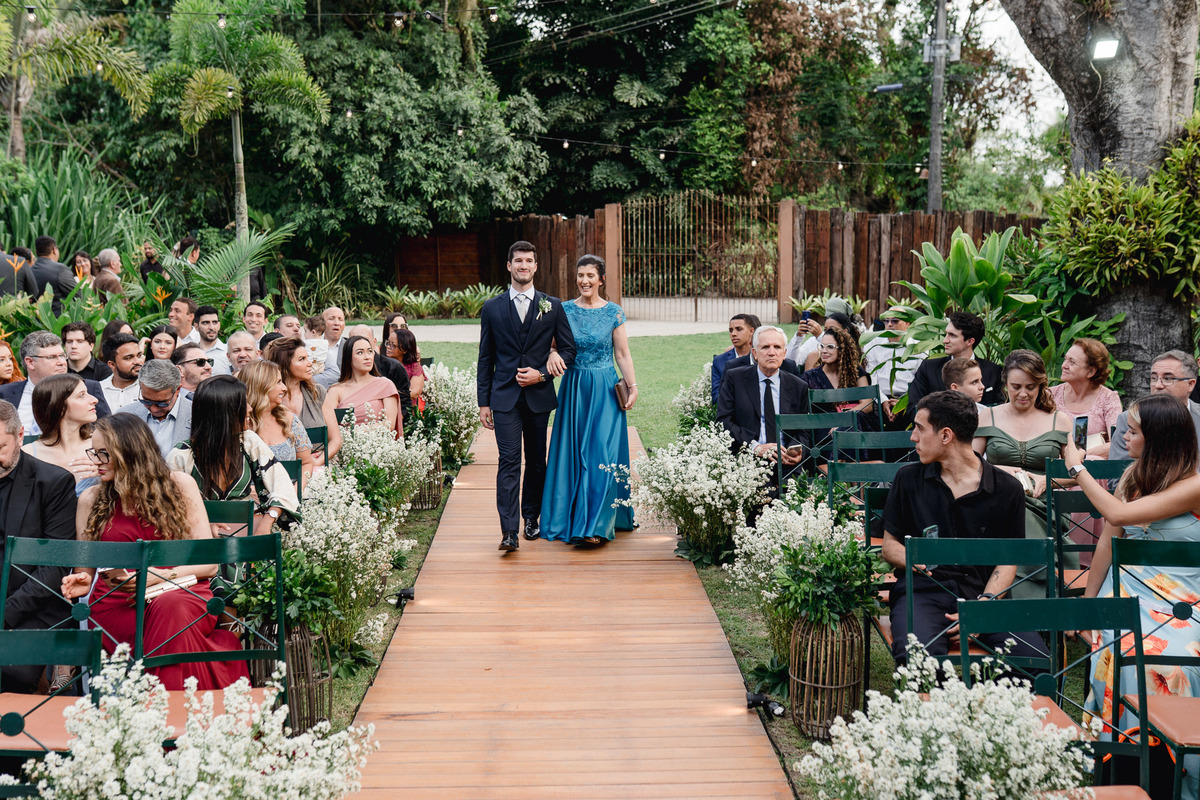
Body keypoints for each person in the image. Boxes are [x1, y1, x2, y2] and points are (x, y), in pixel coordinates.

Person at [1068, 395, 1200, 789]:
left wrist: (1076, 465)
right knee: (1119, 644)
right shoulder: (1133, 479)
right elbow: (1109, 543)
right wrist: (1089, 605)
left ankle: (1171, 763)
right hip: (1129, 588)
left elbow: (1119, 515)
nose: (1126, 436)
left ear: (1159, 438)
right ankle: (1121, 761)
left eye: (1135, 431)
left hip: (1184, 597)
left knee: (1177, 661)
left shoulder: (1196, 484)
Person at [61, 414, 248, 691]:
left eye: (104, 454)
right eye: (94, 453)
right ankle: (184, 710)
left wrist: (157, 576)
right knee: (165, 619)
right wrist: (82, 581)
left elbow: (208, 564)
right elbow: (86, 570)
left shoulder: (180, 486)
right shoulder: (91, 499)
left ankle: (160, 708)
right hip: (118, 599)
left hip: (182, 589)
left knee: (171, 609)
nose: (96, 461)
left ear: (130, 453)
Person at [881, 390, 1047, 666]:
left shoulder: (1007, 489)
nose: (913, 437)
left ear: (946, 436)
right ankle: (938, 707)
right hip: (924, 592)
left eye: (920, 429)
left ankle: (994, 706)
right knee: (918, 658)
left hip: (984, 594)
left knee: (1033, 659)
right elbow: (890, 545)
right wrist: (913, 559)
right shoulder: (908, 478)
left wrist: (983, 609)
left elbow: (1008, 561)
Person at [477, 240, 576, 552]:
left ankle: (531, 517)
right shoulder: (492, 308)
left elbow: (569, 350)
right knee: (508, 460)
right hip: (503, 397)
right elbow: (485, 357)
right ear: (509, 266)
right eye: (518, 261)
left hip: (538, 397)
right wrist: (483, 401)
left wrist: (543, 373)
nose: (523, 266)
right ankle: (508, 532)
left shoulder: (552, 306)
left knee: (536, 461)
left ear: (536, 266)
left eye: (529, 261)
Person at [540, 255, 637, 546]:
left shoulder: (614, 312)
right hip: (575, 388)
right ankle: (575, 518)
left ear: (601, 279)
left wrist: (632, 385)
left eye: (590, 276)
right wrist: (551, 354)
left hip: (606, 388)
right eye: (580, 275)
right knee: (574, 454)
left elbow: (622, 353)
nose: (584, 280)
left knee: (602, 454)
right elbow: (548, 345)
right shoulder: (563, 310)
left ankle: (596, 524)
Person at [972, 349, 1072, 599]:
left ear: (1041, 385)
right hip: (999, 498)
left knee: (1022, 514)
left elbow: (1075, 472)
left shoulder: (1059, 420)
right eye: (1016, 386)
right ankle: (1037, 598)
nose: (1023, 393)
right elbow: (970, 463)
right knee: (1015, 510)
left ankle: (1026, 600)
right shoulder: (989, 416)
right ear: (1005, 383)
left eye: (1031, 387)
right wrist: (997, 470)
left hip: (1044, 503)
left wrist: (1046, 479)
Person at [0, 400, 78, 694]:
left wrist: (4, 614)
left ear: (20, 436)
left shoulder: (53, 483)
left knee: (12, 673)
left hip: (32, 605)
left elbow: (54, 567)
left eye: (0, 448)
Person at [167, 375, 299, 533]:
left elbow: (283, 485)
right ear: (224, 413)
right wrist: (205, 527)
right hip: (200, 542)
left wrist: (267, 522)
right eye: (243, 403)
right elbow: (168, 511)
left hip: (248, 535)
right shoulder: (181, 456)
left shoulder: (249, 442)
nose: (250, 408)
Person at [716, 325, 812, 471]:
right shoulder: (735, 378)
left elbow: (803, 431)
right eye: (765, 347)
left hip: (786, 462)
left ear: (784, 353)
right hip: (748, 458)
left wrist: (798, 452)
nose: (772, 353)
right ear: (755, 353)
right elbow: (723, 421)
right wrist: (755, 447)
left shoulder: (798, 386)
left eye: (777, 347)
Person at [0, 331, 110, 435]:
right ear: (30, 362)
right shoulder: (5, 394)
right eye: (52, 357)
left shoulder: (88, 388)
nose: (62, 362)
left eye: (62, 356)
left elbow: (108, 431)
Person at [1110, 350, 1200, 461]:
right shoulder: (1129, 419)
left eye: (1167, 379)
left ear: (1190, 384)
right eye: (1153, 378)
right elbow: (1117, 474)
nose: (1157, 385)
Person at [323, 335, 402, 460]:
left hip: (379, 452)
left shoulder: (385, 385)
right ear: (349, 358)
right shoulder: (335, 391)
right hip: (344, 452)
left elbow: (389, 425)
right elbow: (328, 428)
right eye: (360, 352)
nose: (367, 357)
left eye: (370, 351)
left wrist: (352, 433)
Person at [906, 310, 1003, 412]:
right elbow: (914, 408)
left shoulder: (993, 371)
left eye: (952, 335)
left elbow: (1000, 411)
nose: (945, 340)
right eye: (946, 334)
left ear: (970, 341)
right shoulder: (929, 368)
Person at [241, 360, 313, 491]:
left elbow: (307, 463)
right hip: (249, 501)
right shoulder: (238, 423)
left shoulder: (289, 420)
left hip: (290, 495)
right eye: (278, 382)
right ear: (261, 385)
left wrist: (295, 493)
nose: (284, 388)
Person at [22, 374, 99, 496]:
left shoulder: (104, 447)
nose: (94, 399)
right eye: (81, 395)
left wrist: (109, 471)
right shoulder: (28, 455)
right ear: (58, 406)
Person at [1049, 338, 1121, 458]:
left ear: (1091, 371)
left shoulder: (1108, 399)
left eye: (1072, 362)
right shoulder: (1050, 395)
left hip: (1093, 468)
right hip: (1054, 468)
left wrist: (1075, 457)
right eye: (1065, 359)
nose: (1064, 365)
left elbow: (1118, 443)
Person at [116, 359, 193, 459]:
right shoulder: (123, 416)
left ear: (178, 390)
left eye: (161, 403)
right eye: (146, 401)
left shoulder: (198, 415)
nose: (154, 409)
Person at [263, 337, 327, 453]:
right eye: (302, 359)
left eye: (308, 358)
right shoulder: (268, 398)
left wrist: (316, 462)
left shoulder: (318, 392)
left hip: (321, 462)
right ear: (285, 364)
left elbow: (335, 439)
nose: (310, 363)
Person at [865, 311, 926, 422]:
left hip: (910, 399)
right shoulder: (873, 345)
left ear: (907, 324)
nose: (889, 324)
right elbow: (871, 376)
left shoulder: (918, 347)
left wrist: (904, 402)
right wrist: (883, 400)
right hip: (879, 398)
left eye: (895, 321)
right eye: (886, 321)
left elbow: (920, 380)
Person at [346, 324, 411, 423]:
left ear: (374, 342)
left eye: (365, 340)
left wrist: (390, 424)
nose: (361, 344)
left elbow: (405, 405)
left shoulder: (393, 367)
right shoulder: (347, 369)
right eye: (355, 341)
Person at [786, 297, 852, 367]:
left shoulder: (851, 344)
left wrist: (820, 336)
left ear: (845, 331)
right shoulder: (813, 341)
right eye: (826, 329)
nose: (829, 332)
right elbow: (791, 362)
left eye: (833, 329)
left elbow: (844, 355)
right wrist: (799, 337)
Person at [711, 314, 760, 404]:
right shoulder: (719, 361)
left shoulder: (761, 357)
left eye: (739, 329)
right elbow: (716, 396)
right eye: (731, 330)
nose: (733, 334)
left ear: (751, 331)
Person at [98, 333, 145, 411]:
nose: (137, 361)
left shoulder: (150, 387)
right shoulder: (99, 390)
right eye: (128, 358)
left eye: (139, 355)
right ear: (112, 364)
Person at [31, 236, 75, 314]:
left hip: (34, 320)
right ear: (54, 250)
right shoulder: (60, 269)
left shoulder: (29, 270)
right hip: (56, 321)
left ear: (36, 251)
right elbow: (77, 294)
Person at [387, 327, 425, 412]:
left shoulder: (415, 368)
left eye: (392, 345)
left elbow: (414, 393)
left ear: (404, 349)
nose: (388, 347)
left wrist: (388, 392)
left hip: (407, 412)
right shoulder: (384, 364)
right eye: (388, 343)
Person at [313, 307, 347, 388]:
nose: (336, 323)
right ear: (322, 323)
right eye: (331, 319)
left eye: (340, 319)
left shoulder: (350, 346)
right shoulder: (312, 346)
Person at [195, 304, 231, 375]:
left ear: (219, 325)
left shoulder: (229, 352)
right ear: (196, 327)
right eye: (205, 323)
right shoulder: (190, 352)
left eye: (214, 322)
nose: (211, 327)